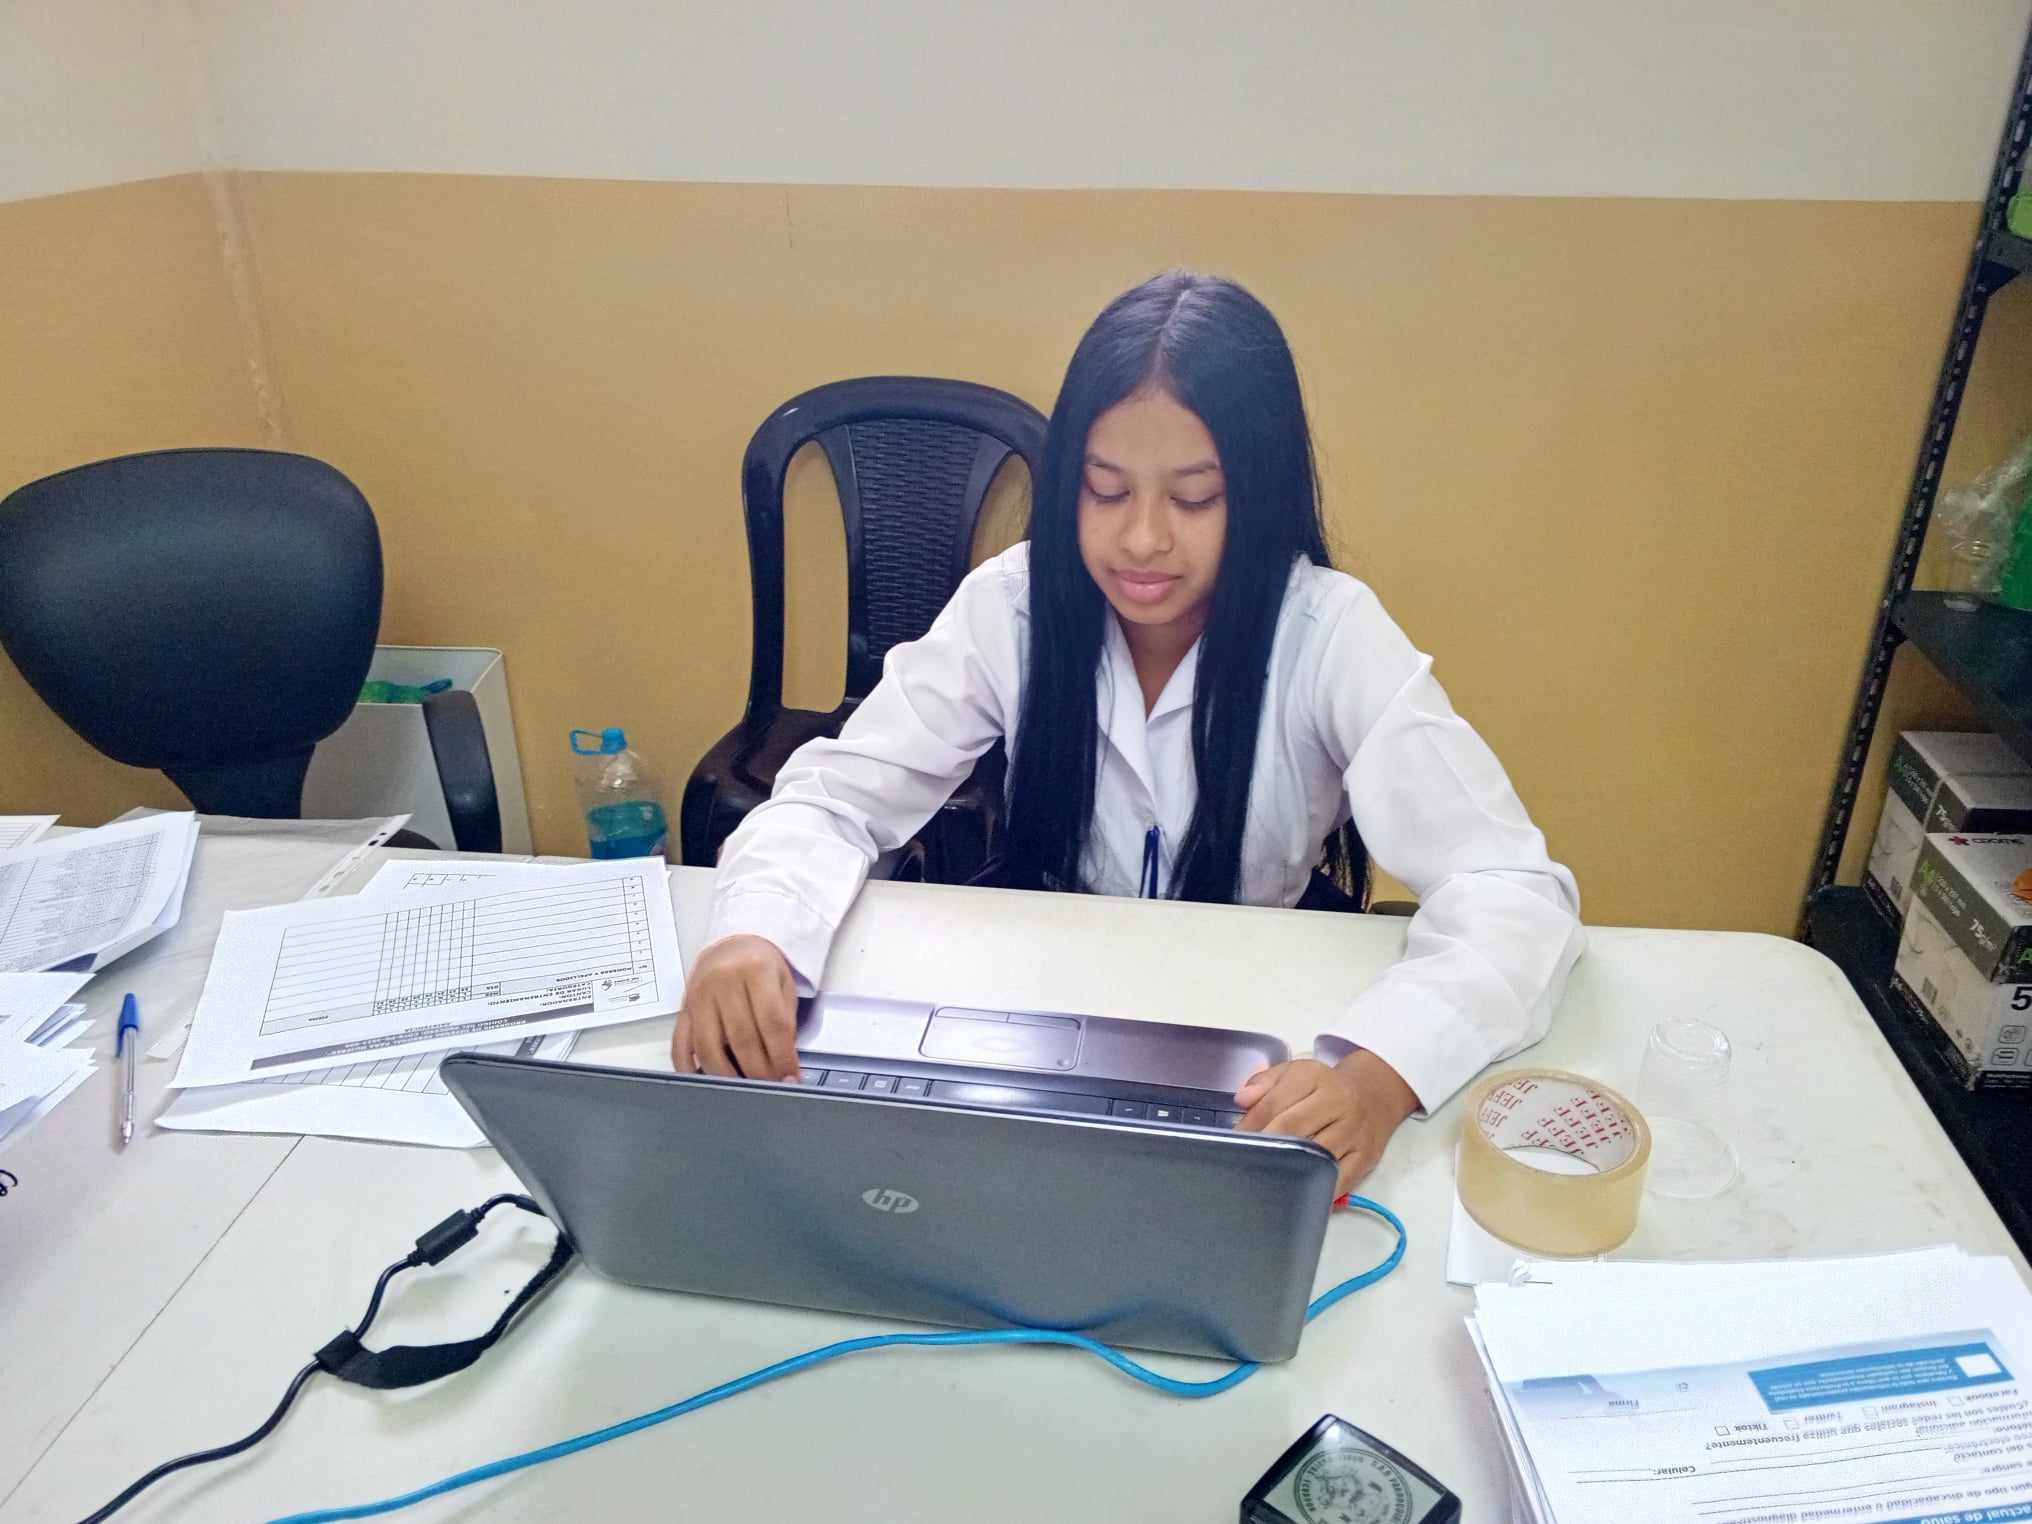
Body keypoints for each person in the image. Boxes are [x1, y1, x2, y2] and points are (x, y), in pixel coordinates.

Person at [677, 270, 1583, 1193]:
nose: (1143, 539)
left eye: (1194, 499)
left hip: (1256, 1024)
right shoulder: (1012, 605)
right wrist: (755, 933)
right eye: (1105, 492)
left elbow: (1512, 891)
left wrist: (1379, 1078)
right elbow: (837, 795)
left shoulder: (1329, 635)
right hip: (1044, 1015)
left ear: (1259, 494)